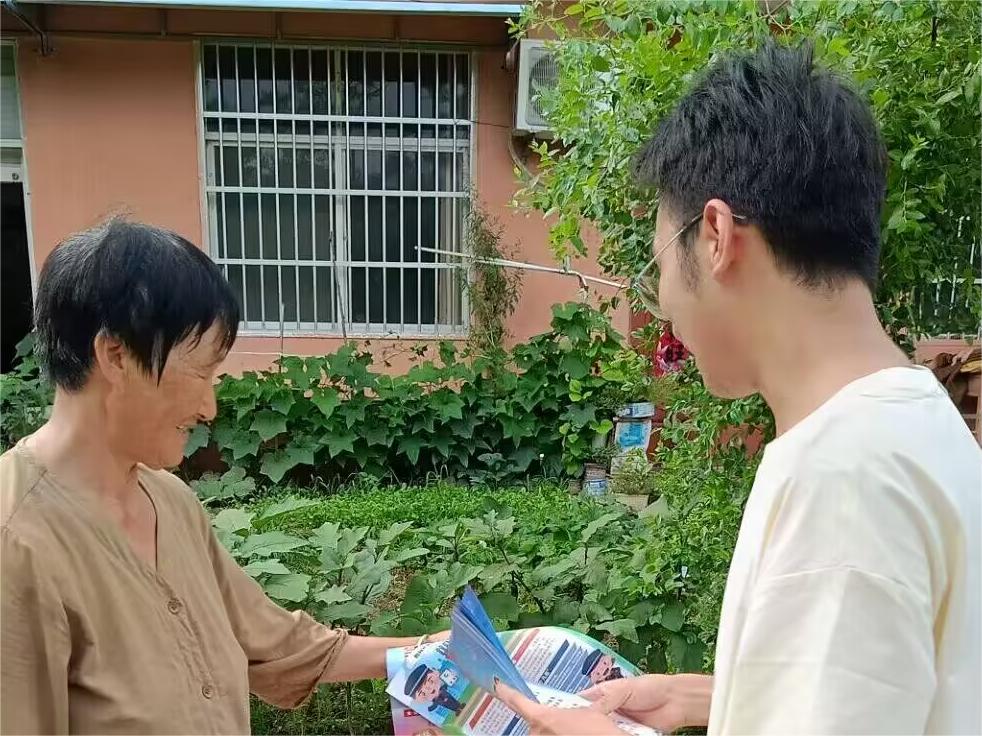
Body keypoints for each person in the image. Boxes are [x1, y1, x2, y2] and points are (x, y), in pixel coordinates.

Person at [494, 41, 981, 735]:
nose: (665, 304)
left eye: (659, 264)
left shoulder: (842, 480)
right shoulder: (917, 422)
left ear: (716, 236)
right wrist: (705, 697)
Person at [0, 219, 446, 734]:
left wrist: (435, 652)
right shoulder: (18, 543)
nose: (209, 408)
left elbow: (277, 645)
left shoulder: (170, 501)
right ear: (117, 356)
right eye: (201, 372)